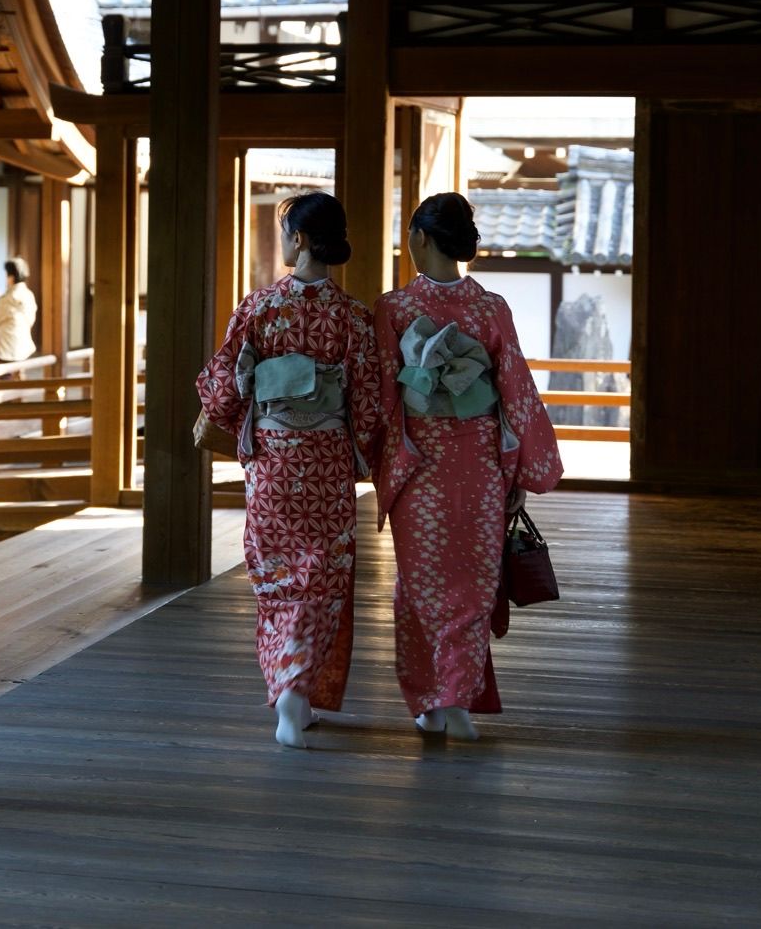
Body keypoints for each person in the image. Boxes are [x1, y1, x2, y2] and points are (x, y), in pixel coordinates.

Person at [373, 192, 562, 742]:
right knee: (472, 585)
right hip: (479, 464)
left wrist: (368, 456)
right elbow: (516, 392)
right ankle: (456, 699)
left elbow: (385, 398)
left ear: (421, 239)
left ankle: (433, 702)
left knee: (420, 585)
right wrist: (524, 470)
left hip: (419, 470)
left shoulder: (395, 309)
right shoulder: (490, 308)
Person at [197, 193, 383, 749]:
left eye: (284, 231)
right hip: (325, 463)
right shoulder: (353, 318)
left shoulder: (258, 308)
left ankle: (288, 691)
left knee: (277, 574)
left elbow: (222, 384)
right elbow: (369, 404)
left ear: (299, 239)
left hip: (274, 463)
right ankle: (296, 697)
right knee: (321, 575)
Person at [0, 258, 37, 374]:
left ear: (11, 276)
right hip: (23, 346)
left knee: (1, 378)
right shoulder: (28, 295)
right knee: (19, 376)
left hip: (5, 348)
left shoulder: (10, 297)